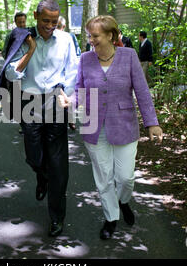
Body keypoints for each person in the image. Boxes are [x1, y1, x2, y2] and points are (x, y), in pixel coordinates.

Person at [58, 15, 163, 240]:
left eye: (95, 36)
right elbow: (80, 90)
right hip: (93, 126)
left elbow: (142, 91)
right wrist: (70, 101)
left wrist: (152, 123)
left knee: (125, 178)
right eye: (89, 36)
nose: (91, 40)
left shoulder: (129, 56)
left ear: (111, 36)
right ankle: (111, 217)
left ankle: (123, 201)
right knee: (103, 176)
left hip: (124, 125)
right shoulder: (85, 59)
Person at [4, 0, 78, 237]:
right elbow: (10, 74)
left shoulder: (67, 39)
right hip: (30, 103)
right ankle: (41, 175)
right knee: (34, 156)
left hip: (55, 101)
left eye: (54, 21)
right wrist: (31, 50)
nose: (50, 26)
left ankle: (57, 217)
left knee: (59, 164)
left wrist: (66, 93)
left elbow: (73, 71)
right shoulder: (23, 39)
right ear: (36, 17)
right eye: (45, 20)